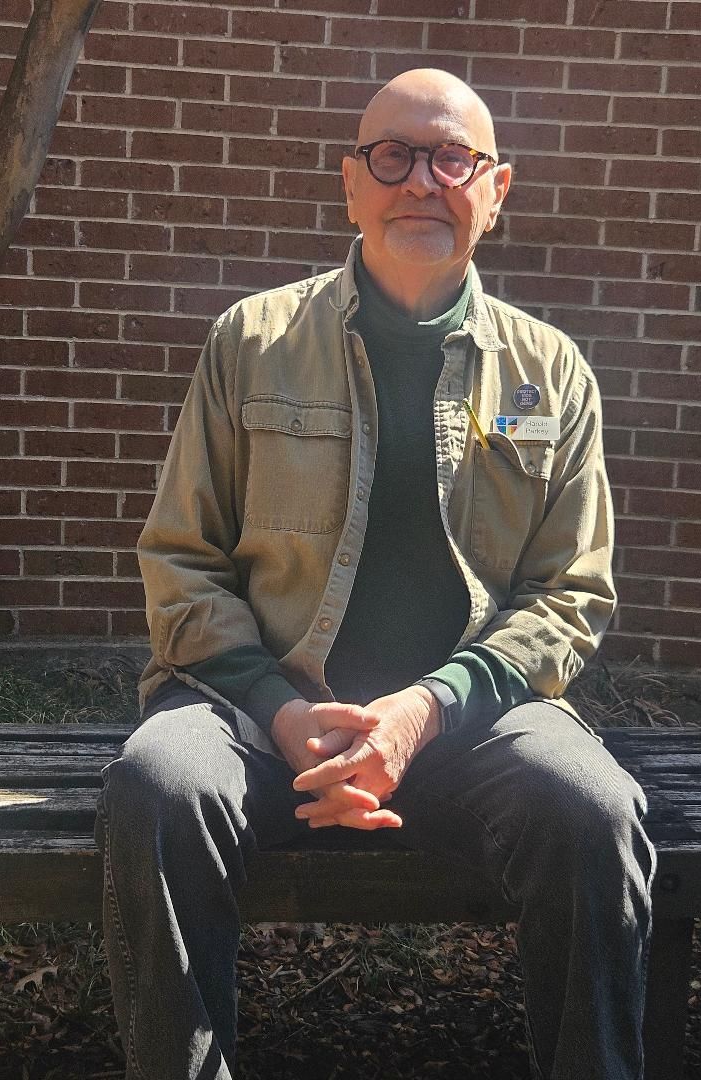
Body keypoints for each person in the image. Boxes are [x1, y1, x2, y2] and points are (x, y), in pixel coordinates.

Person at [96, 68, 655, 1080]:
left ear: (496, 189)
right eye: (392, 156)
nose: (421, 182)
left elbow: (571, 594)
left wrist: (423, 712)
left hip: (469, 728)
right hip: (253, 719)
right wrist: (279, 710)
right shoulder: (251, 342)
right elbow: (180, 559)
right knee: (159, 786)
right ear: (352, 183)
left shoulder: (551, 371)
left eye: (454, 159)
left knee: (592, 812)